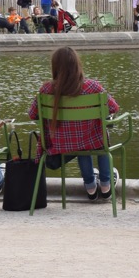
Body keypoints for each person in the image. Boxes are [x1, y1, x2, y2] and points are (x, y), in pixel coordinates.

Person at [28, 47, 117, 201]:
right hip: (91, 140)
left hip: (61, 145)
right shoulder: (92, 87)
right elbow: (114, 107)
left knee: (81, 142)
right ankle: (105, 186)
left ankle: (90, 188)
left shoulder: (46, 89)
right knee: (98, 136)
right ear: (77, 64)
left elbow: (32, 115)